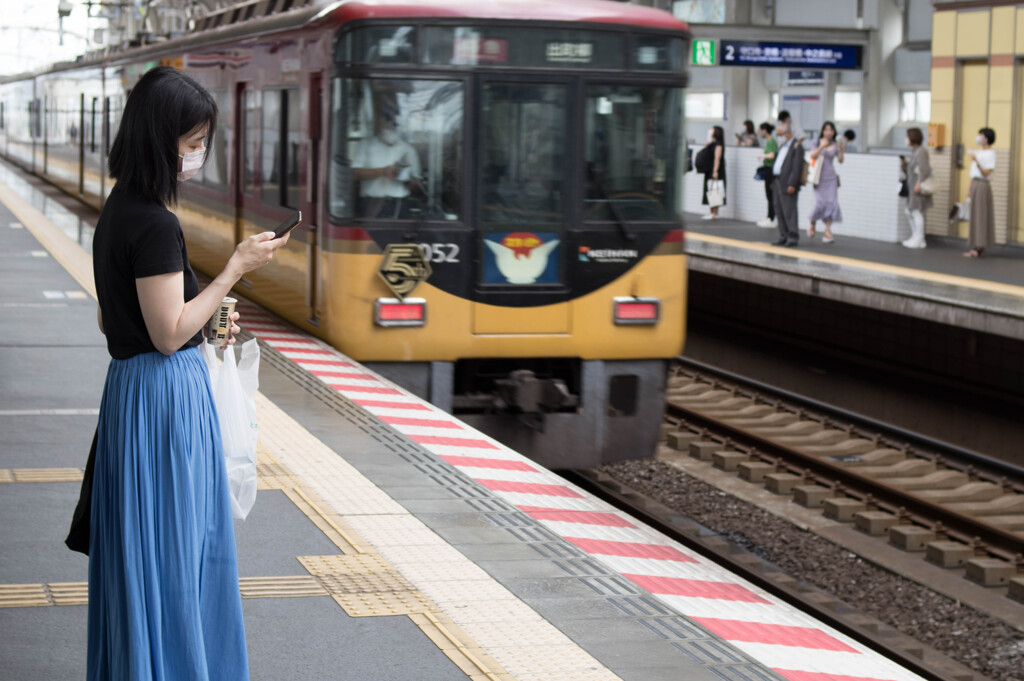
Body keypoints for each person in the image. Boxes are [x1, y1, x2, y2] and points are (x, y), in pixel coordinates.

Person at [89, 66, 287, 681]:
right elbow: (169, 333)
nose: (199, 154)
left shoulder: (119, 210)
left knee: (144, 558)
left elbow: (113, 320)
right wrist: (235, 270)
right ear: (162, 139)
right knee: (180, 556)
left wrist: (205, 320)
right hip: (165, 404)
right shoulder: (155, 223)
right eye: (193, 141)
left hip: (133, 395)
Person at [352, 99, 423, 219]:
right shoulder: (365, 144)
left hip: (399, 206)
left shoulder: (408, 150)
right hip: (370, 204)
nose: (389, 124)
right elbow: (354, 174)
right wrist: (381, 172)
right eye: (386, 119)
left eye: (393, 120)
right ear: (378, 122)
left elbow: (417, 187)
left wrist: (407, 180)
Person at [770, 113, 804, 247]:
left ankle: (792, 236)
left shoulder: (796, 147)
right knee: (779, 209)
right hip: (778, 181)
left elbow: (796, 168)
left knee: (789, 210)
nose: (780, 137)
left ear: (788, 133)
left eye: (781, 134)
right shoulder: (783, 146)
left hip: (788, 183)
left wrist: (792, 183)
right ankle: (783, 235)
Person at [807, 121, 844, 244]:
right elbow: (812, 155)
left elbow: (840, 160)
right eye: (826, 129)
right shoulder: (817, 142)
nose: (829, 132)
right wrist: (822, 146)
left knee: (832, 203)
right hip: (818, 178)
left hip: (831, 177)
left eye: (831, 130)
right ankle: (812, 223)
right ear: (823, 130)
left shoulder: (835, 144)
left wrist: (841, 149)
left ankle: (827, 230)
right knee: (820, 203)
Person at [965, 127, 996, 257]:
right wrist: (968, 189)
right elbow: (974, 174)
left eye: (981, 135)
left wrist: (976, 161)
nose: (978, 137)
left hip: (983, 185)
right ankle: (976, 246)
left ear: (986, 138)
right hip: (975, 184)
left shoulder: (990, 153)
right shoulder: (978, 152)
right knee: (975, 215)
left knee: (981, 215)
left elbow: (986, 172)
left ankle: (979, 247)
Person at [903, 127, 931, 249]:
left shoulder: (921, 151)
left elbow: (925, 169)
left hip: (917, 187)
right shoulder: (915, 151)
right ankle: (917, 237)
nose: (906, 139)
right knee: (911, 211)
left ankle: (919, 238)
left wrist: (919, 183)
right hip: (913, 186)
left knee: (915, 211)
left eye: (907, 137)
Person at [701, 125, 726, 220]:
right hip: (711, 169)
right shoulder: (713, 143)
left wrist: (715, 171)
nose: (710, 130)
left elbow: (717, 159)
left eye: (712, 130)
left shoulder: (718, 144)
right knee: (711, 190)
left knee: (715, 190)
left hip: (715, 170)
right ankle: (712, 212)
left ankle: (714, 212)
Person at [756, 122, 778, 228]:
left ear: (765, 130)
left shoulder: (772, 142)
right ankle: (769, 216)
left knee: (771, 194)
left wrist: (762, 155)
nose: (760, 132)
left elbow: (772, 155)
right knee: (768, 195)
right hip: (767, 169)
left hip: (771, 171)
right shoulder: (768, 141)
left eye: (760, 130)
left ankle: (771, 218)